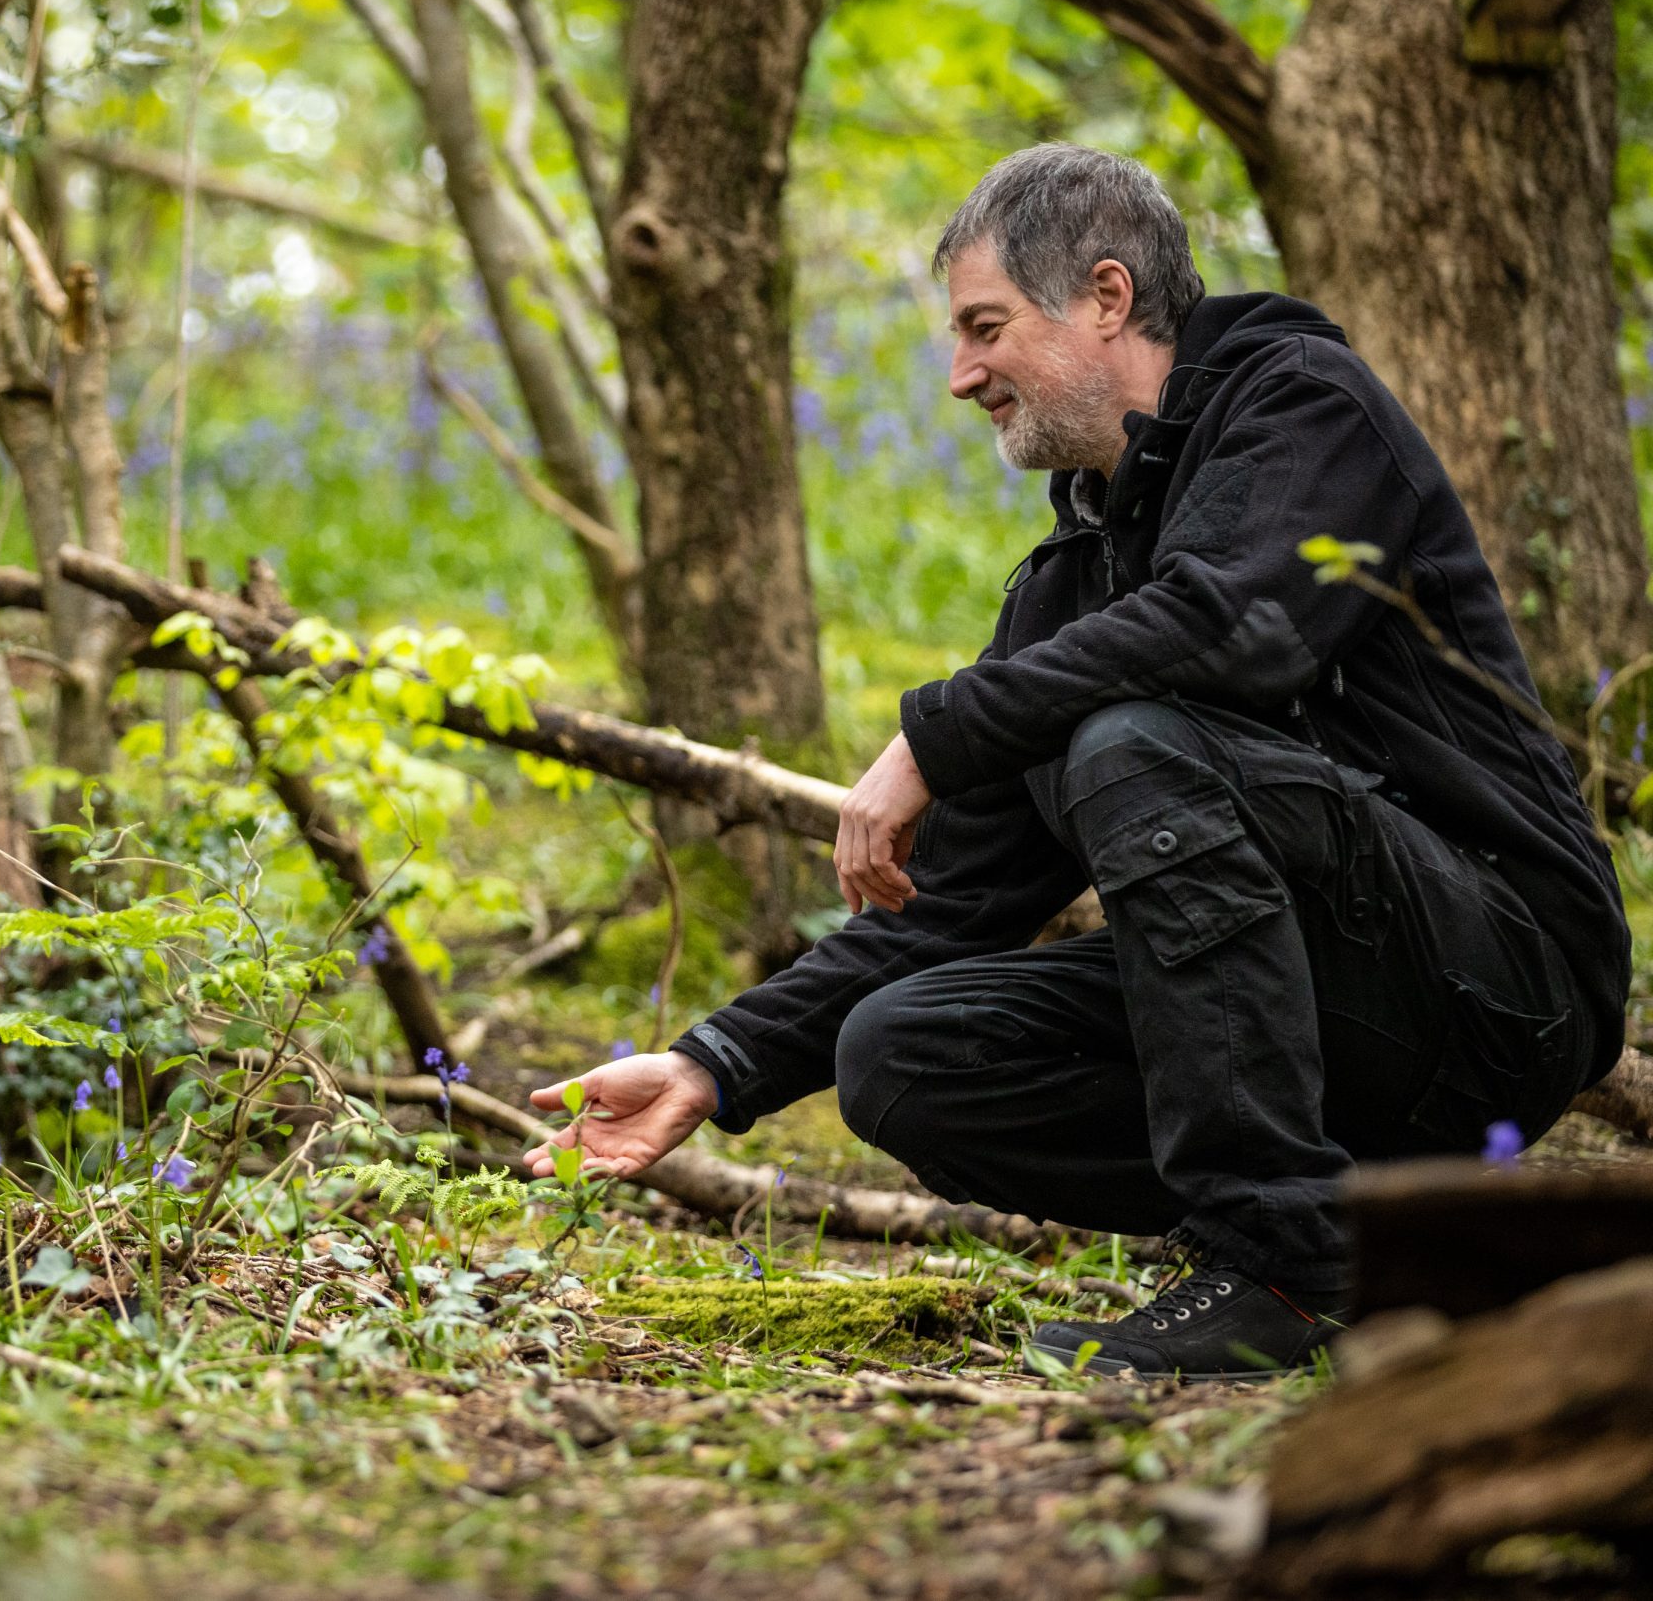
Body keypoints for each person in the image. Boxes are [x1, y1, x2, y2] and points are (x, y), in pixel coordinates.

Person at [524, 144, 1629, 1381]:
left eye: (984, 327)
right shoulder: (1074, 585)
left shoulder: (1305, 404)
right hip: (1340, 1031)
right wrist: (711, 1062)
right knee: (900, 1056)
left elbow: (1229, 628)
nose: (959, 376)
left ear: (1106, 297)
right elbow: (951, 903)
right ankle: (1361, 1234)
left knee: (1131, 739)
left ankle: (1278, 1263)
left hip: (1502, 982)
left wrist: (930, 733)